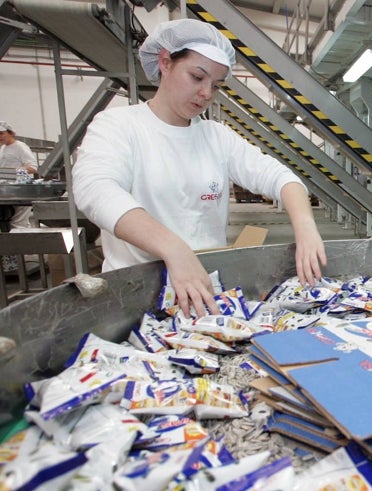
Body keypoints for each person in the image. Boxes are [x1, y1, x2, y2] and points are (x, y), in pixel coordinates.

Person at [73, 18, 327, 317]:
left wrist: (306, 227)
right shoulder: (120, 126)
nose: (206, 93)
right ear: (165, 62)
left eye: (216, 85)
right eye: (197, 77)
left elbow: (281, 178)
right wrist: (173, 248)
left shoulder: (216, 136)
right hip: (134, 297)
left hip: (205, 291)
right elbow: (96, 189)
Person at [0, 121, 39, 230]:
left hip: (21, 191)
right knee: (10, 223)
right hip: (7, 192)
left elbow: (33, 168)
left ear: (11, 133)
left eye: (1, 133)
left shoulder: (20, 147)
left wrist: (14, 172)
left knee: (18, 223)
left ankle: (25, 246)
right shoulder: (3, 148)